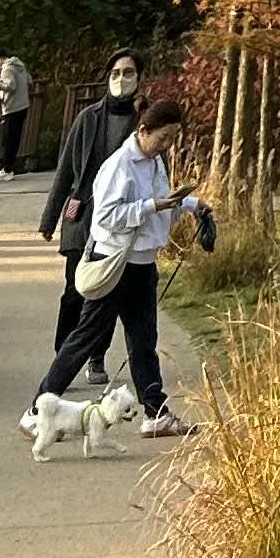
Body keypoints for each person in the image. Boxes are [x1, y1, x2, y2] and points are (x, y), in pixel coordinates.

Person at [20, 94, 198, 439]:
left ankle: (156, 412)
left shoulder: (156, 162)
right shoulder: (119, 164)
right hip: (114, 263)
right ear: (143, 130)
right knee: (85, 338)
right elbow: (105, 217)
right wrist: (150, 206)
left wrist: (190, 204)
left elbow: (162, 203)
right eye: (163, 138)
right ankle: (36, 410)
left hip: (143, 264)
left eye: (173, 139)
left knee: (144, 340)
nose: (166, 145)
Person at [38, 50, 146, 380]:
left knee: (104, 291)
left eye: (128, 73)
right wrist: (49, 218)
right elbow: (66, 169)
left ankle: (96, 357)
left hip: (117, 220)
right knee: (74, 291)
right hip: (82, 216)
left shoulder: (143, 122)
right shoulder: (88, 118)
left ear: (139, 78)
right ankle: (63, 357)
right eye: (115, 73)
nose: (121, 79)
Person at [0, 48, 32, 178]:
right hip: (23, 106)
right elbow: (29, 80)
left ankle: (6, 170)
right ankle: (9, 169)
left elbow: (10, 85)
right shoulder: (19, 65)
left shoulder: (7, 68)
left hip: (12, 108)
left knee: (7, 139)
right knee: (15, 138)